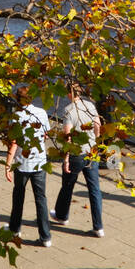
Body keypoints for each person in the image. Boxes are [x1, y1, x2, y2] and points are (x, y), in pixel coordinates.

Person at [52, 83, 104, 237]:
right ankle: (98, 227)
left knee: (67, 186)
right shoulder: (90, 106)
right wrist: (94, 143)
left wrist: (66, 158)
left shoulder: (68, 111)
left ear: (69, 94)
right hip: (91, 153)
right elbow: (97, 126)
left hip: (76, 154)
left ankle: (62, 216)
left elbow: (67, 136)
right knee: (94, 189)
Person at [5, 87, 52, 247]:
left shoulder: (16, 117)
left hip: (22, 163)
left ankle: (14, 229)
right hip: (39, 162)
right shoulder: (42, 113)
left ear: (18, 100)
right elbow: (46, 134)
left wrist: (7, 164)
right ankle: (45, 236)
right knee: (41, 199)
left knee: (18, 196)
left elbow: (13, 142)